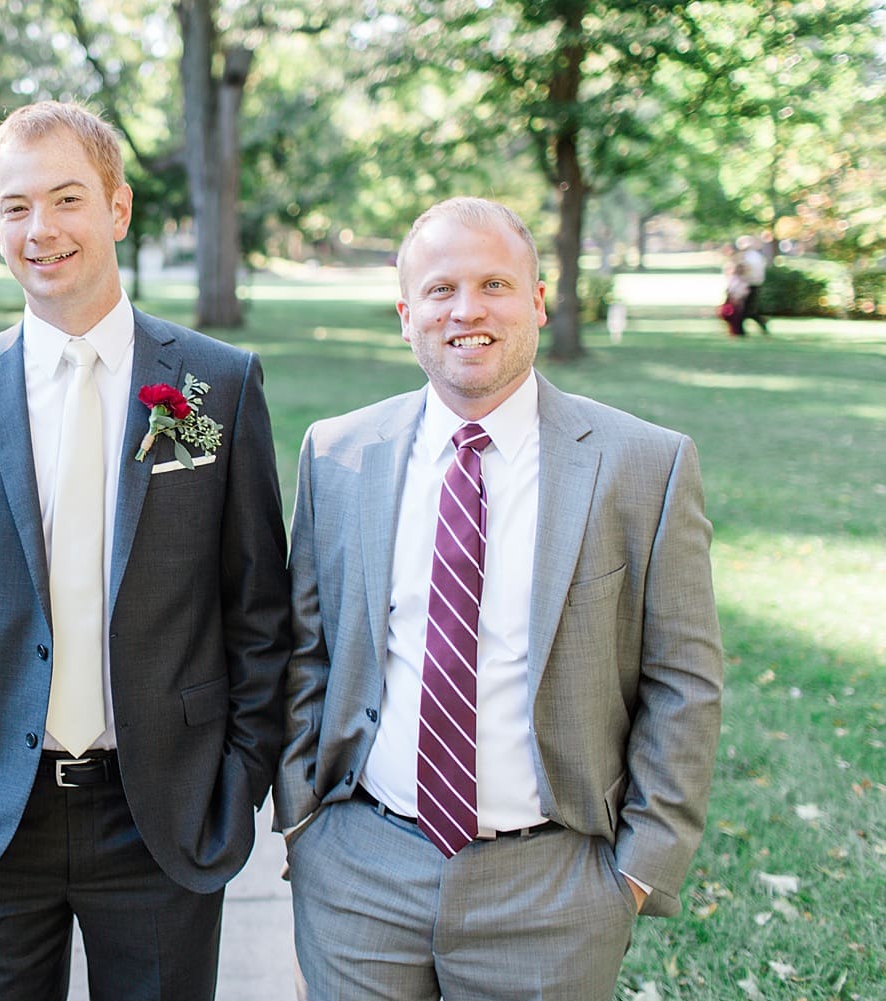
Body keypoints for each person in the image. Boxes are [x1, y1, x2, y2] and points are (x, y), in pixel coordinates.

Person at [0, 100, 292, 1001]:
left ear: (118, 207)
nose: (41, 229)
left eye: (66, 199)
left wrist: (238, 777)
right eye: (15, 206)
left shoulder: (215, 384)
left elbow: (258, 609)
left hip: (162, 811)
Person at [275, 197, 724, 1001]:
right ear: (405, 316)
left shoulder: (642, 465)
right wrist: (303, 822)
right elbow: (304, 648)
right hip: (359, 870)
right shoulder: (337, 453)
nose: (467, 310)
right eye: (440, 289)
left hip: (552, 887)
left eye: (494, 284)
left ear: (538, 301)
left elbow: (683, 682)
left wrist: (635, 872)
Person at [736, 234, 770, 335]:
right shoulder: (757, 256)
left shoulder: (747, 257)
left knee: (746, 310)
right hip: (754, 284)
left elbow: (745, 271)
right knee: (748, 309)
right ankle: (743, 329)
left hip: (748, 285)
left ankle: (741, 330)